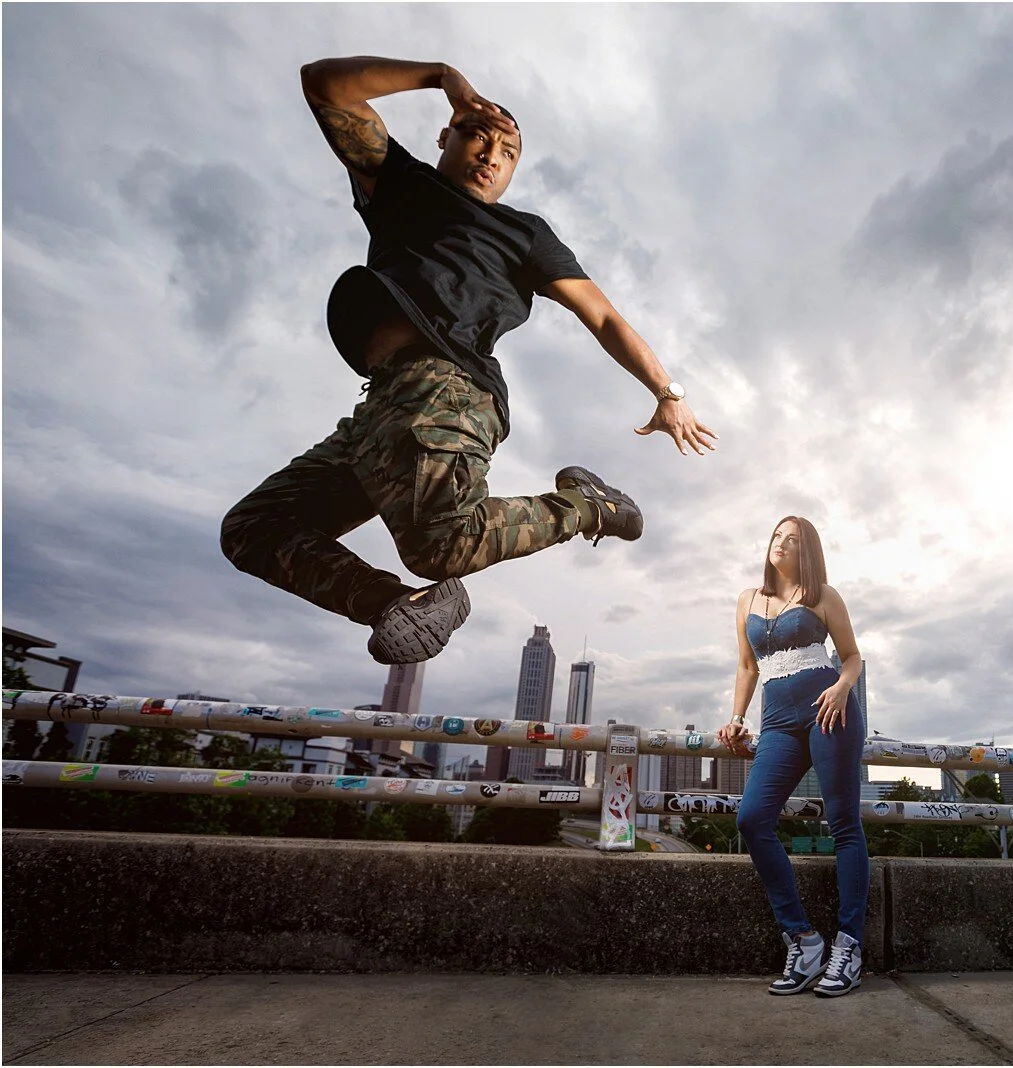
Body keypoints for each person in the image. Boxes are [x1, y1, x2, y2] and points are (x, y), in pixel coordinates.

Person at [220, 55, 716, 664]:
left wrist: (668, 393)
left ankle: (588, 506)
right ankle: (391, 604)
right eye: (480, 135)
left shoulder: (524, 234)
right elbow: (322, 85)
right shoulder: (401, 184)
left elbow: (604, 316)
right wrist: (441, 77)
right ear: (445, 136)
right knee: (253, 529)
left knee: (441, 545)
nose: (491, 155)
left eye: (508, 152)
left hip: (447, 390)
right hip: (378, 409)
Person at [717, 517, 867, 997]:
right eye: (777, 536)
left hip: (829, 712)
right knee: (752, 819)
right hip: (778, 722)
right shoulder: (748, 599)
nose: (781, 544)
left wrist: (843, 688)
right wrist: (737, 717)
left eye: (794, 539)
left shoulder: (823, 594)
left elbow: (852, 657)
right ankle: (803, 940)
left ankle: (849, 947)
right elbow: (746, 665)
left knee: (843, 824)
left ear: (808, 551)